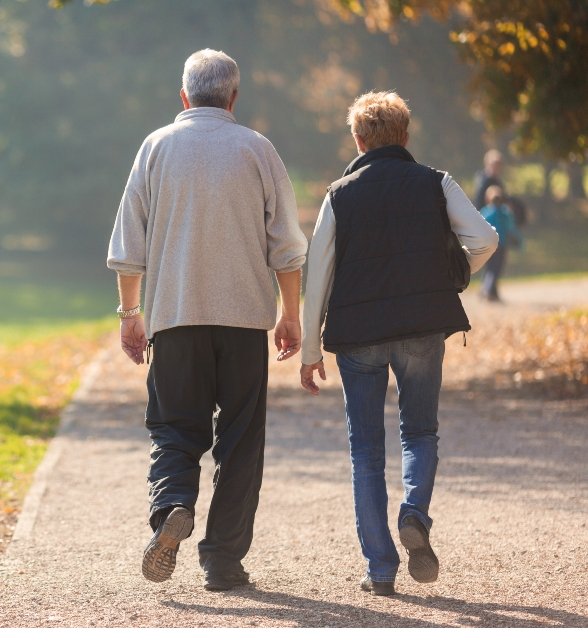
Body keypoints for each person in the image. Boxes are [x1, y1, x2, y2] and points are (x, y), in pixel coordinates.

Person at [107, 49, 308, 592]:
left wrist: (130, 314)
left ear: (184, 95)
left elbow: (129, 245)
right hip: (243, 324)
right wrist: (290, 314)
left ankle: (173, 505)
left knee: (174, 427)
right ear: (233, 97)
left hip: (175, 320)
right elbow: (287, 247)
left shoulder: (155, 147)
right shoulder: (257, 149)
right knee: (240, 442)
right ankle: (222, 561)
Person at [299, 91, 498, 596]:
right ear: (405, 137)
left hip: (358, 335)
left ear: (358, 140)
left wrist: (310, 349)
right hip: (422, 327)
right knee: (420, 432)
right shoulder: (436, 183)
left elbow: (317, 274)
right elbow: (486, 239)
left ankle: (381, 569)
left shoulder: (338, 195)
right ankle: (414, 515)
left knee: (366, 450)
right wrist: (452, 274)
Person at [478, 185, 523, 301]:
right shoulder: (505, 213)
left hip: (488, 245)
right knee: (496, 269)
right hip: (501, 244)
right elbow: (511, 228)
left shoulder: (485, 212)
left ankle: (490, 291)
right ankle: (488, 291)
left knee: (490, 268)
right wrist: (518, 240)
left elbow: (479, 227)